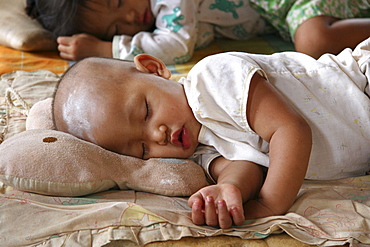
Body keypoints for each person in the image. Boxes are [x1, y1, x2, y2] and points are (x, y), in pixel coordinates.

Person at [52, 38, 370, 229]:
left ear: (153, 68)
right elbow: (244, 166)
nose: (157, 135)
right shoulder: (199, 151)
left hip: (362, 84)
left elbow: (290, 130)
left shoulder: (213, 79)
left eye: (146, 111)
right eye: (142, 149)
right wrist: (227, 190)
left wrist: (270, 206)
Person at [26, 0, 370, 64]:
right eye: (118, 27)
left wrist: (106, 48)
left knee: (313, 42)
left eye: (118, 0)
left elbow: (177, 45)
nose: (131, 15)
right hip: (285, 15)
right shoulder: (159, 18)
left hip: (293, 3)